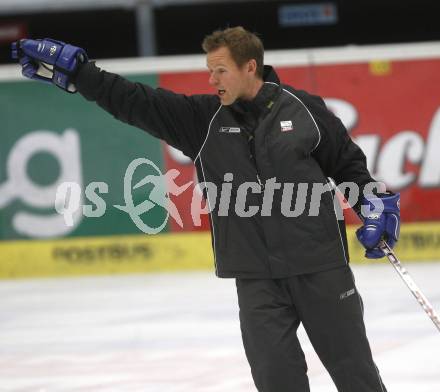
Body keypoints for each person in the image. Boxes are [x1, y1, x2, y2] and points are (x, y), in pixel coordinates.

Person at [11, 26, 400, 392]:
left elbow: (349, 167)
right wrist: (81, 74)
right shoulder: (202, 120)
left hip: (321, 270)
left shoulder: (304, 110)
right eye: (209, 71)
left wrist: (376, 206)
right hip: (257, 281)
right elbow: (133, 101)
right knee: (276, 381)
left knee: (357, 378)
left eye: (220, 71)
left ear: (251, 67)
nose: (212, 80)